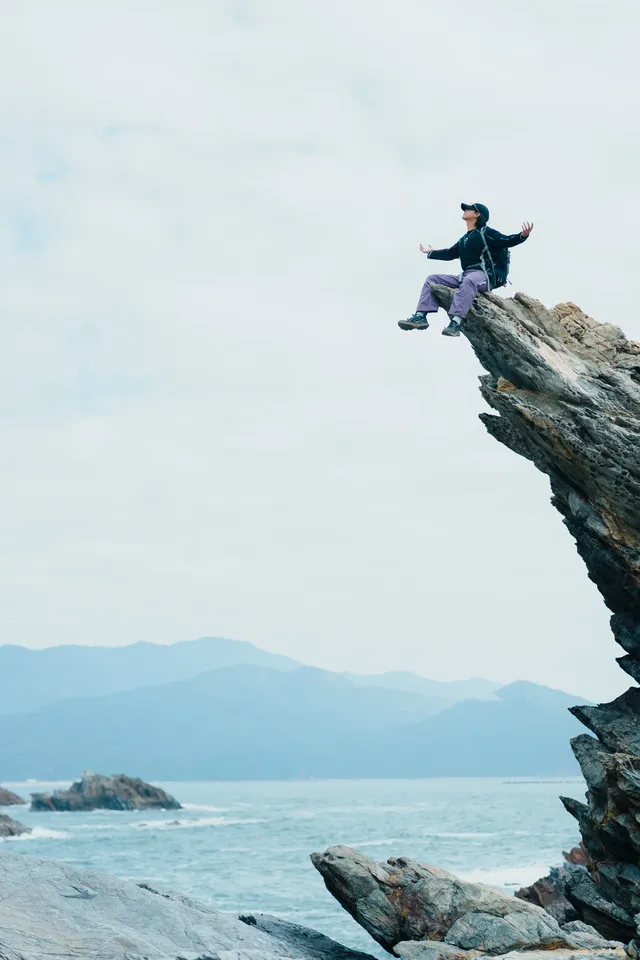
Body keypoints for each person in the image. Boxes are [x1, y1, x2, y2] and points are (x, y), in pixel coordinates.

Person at [399, 202, 534, 337]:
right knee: (432, 279)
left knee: (469, 280)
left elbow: (506, 240)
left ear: (477, 214)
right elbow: (450, 253)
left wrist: (522, 235)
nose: (465, 210)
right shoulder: (465, 239)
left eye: (469, 209)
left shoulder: (486, 232)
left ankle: (456, 323)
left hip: (484, 276)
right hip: (465, 276)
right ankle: (420, 317)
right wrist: (431, 252)